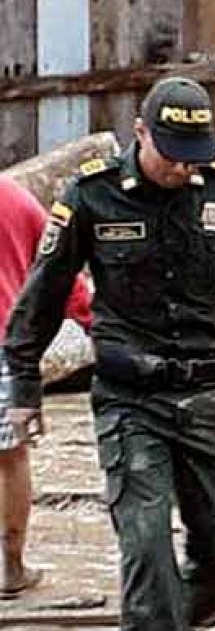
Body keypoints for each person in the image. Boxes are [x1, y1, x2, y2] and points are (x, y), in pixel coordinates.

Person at [3, 77, 215, 631]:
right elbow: (40, 297)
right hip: (131, 401)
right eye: (173, 157)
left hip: (210, 398)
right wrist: (24, 387)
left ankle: (175, 617)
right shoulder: (90, 195)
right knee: (146, 550)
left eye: (194, 158)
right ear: (140, 133)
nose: (184, 169)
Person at [0, 175, 94, 598]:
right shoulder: (17, 199)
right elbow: (62, 268)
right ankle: (11, 566)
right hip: (8, 344)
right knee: (9, 458)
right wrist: (96, 322)